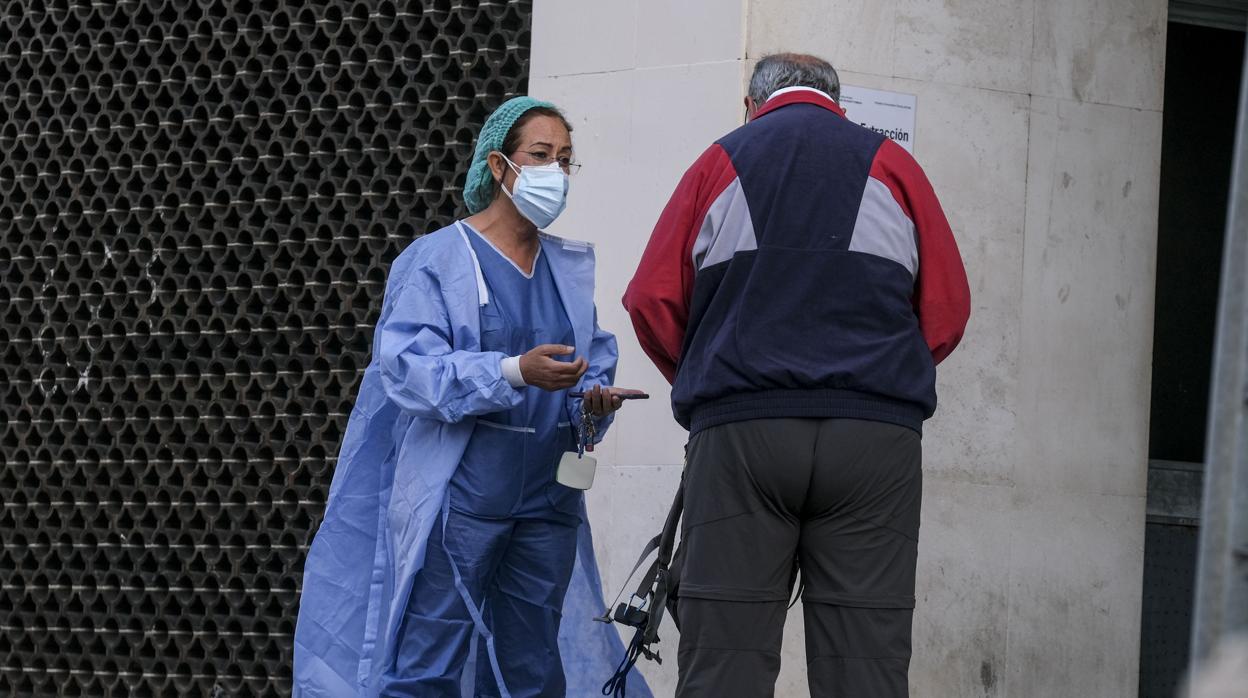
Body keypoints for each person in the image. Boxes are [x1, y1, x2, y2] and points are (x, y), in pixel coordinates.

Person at [622, 53, 971, 697]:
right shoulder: (894, 166)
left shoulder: (720, 160)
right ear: (838, 103)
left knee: (725, 661)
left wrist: (705, 379)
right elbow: (947, 310)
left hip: (742, 434)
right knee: (866, 667)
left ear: (752, 105)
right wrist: (881, 380)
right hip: (875, 442)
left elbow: (650, 298)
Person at [294, 96, 648, 698]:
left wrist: (591, 402)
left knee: (531, 668)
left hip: (547, 505)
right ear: (498, 166)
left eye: (565, 160)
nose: (554, 173)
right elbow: (407, 370)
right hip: (460, 502)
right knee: (427, 662)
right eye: (540, 155)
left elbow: (587, 359)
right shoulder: (440, 260)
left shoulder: (566, 269)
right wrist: (513, 370)